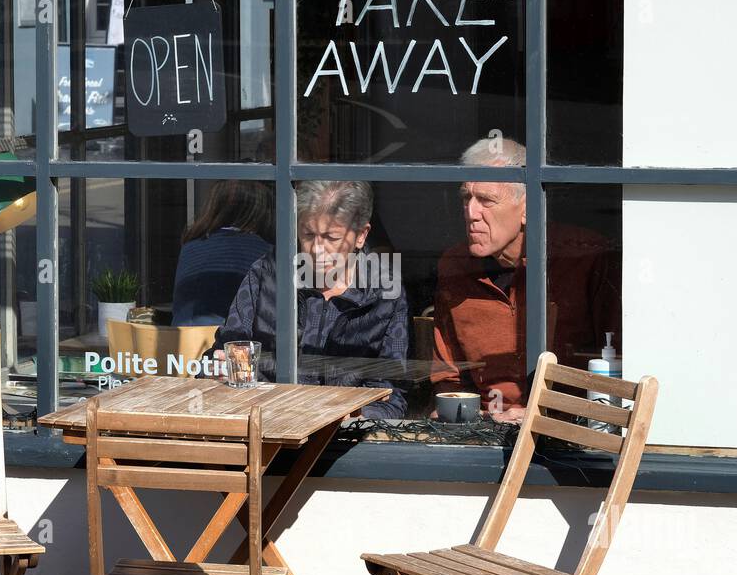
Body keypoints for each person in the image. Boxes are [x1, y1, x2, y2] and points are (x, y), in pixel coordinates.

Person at [431, 137, 619, 422]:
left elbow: (615, 363)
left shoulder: (584, 258)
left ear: (527, 207)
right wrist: (471, 416)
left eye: (486, 200)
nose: (471, 213)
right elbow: (449, 376)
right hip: (486, 429)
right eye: (466, 198)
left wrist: (543, 413)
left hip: (569, 429)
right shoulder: (455, 265)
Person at [209, 180, 408, 419]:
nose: (317, 249)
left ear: (361, 235)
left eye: (331, 237)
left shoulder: (384, 291)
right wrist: (220, 370)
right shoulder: (268, 273)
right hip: (269, 421)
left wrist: (352, 414)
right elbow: (223, 353)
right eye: (308, 235)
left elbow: (391, 396)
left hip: (343, 432)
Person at [171, 181, 273, 326]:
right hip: (230, 337)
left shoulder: (190, 246)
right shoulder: (263, 250)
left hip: (184, 337)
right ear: (262, 213)